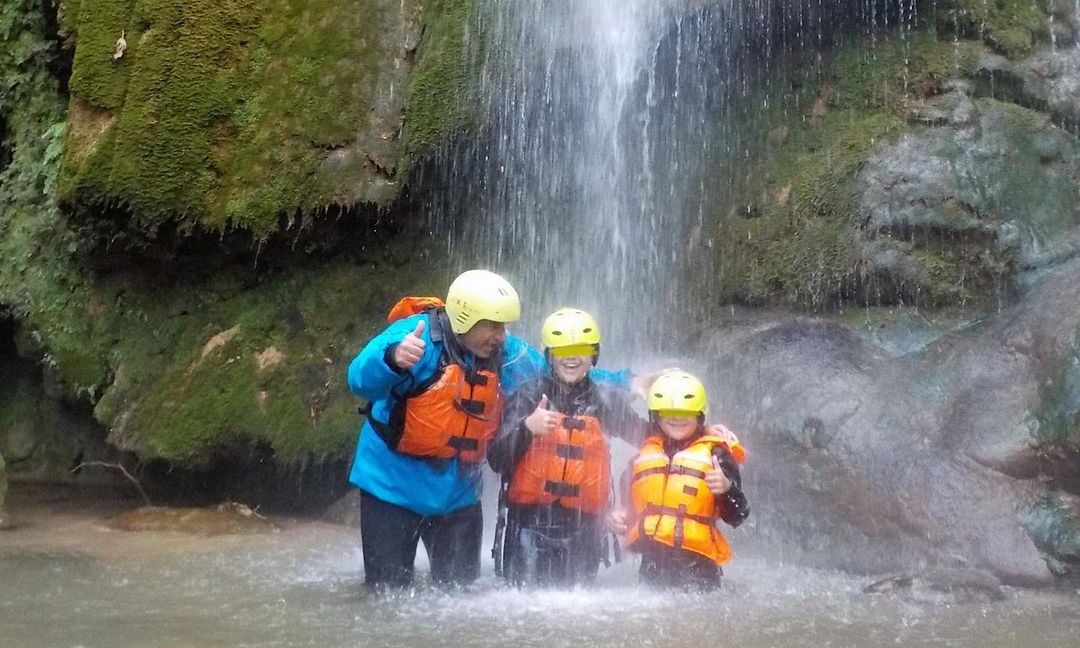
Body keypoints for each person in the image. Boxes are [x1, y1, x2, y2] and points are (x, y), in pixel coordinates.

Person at [347, 271, 632, 591]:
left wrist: (628, 381)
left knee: (460, 594)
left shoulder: (506, 354)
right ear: (465, 319)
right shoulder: (416, 336)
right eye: (493, 325)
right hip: (391, 489)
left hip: (458, 498)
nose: (501, 335)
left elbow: (559, 371)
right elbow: (358, 379)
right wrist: (394, 358)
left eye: (504, 326)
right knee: (387, 593)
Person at [487, 308, 650, 587]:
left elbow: (651, 441)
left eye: (580, 349)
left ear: (593, 355)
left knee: (577, 609)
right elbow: (497, 459)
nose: (572, 357)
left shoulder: (604, 400)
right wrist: (528, 428)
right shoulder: (528, 395)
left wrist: (702, 432)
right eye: (563, 349)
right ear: (550, 354)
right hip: (529, 526)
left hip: (584, 529)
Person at [609, 370, 749, 590]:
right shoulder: (642, 458)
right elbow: (629, 511)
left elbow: (739, 515)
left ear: (700, 416)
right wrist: (618, 519)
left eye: (686, 412)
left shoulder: (717, 456)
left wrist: (726, 489)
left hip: (699, 571)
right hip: (653, 568)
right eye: (668, 412)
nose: (676, 418)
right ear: (655, 416)